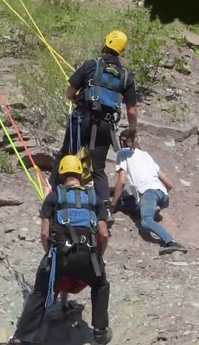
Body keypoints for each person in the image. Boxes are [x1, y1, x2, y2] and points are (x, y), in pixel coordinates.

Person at [0, 155, 113, 345]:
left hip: (60, 256)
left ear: (60, 174)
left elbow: (44, 233)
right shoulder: (94, 197)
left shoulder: (53, 197)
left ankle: (19, 344)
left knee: (40, 293)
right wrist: (98, 257)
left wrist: (49, 254)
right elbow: (104, 234)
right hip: (88, 256)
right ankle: (99, 333)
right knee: (101, 284)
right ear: (80, 174)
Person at [48, 31, 138, 226]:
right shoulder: (126, 77)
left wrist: (78, 100)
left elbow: (69, 93)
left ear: (105, 44)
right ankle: (105, 210)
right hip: (105, 124)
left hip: (82, 119)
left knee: (67, 155)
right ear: (120, 52)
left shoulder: (90, 66)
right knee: (98, 168)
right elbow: (131, 109)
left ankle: (55, 194)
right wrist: (132, 130)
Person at [110, 129, 187, 255]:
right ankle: (142, 206)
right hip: (162, 195)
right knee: (126, 202)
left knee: (146, 220)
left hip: (148, 193)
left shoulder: (123, 153)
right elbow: (170, 184)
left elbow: (122, 181)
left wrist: (112, 206)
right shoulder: (146, 155)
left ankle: (171, 242)